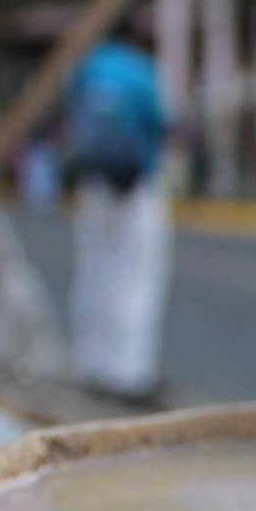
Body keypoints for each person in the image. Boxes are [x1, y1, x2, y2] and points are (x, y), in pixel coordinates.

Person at [65, 35, 172, 403]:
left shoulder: (89, 66)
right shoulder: (143, 71)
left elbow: (73, 117)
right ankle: (128, 373)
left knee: (94, 271)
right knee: (135, 277)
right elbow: (159, 124)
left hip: (94, 182)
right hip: (134, 186)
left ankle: (90, 365)